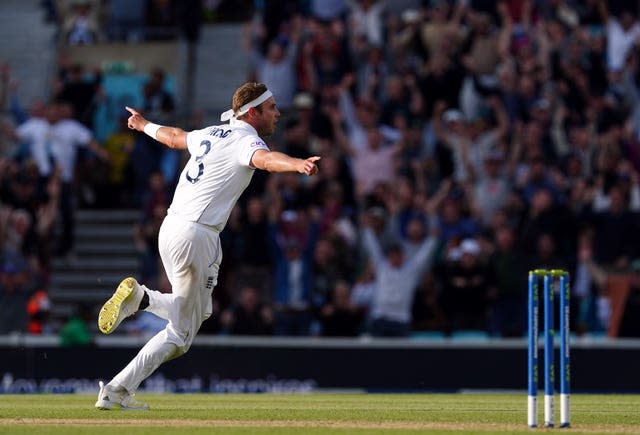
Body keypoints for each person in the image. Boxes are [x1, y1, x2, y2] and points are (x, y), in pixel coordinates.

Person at [94, 82, 320, 410]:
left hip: (172, 228)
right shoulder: (246, 140)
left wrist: (143, 125)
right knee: (181, 336)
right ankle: (116, 390)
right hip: (196, 235)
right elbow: (267, 160)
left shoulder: (213, 132)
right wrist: (297, 164)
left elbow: (173, 137)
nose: (279, 113)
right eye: (272, 107)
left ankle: (143, 299)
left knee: (200, 311)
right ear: (253, 112)